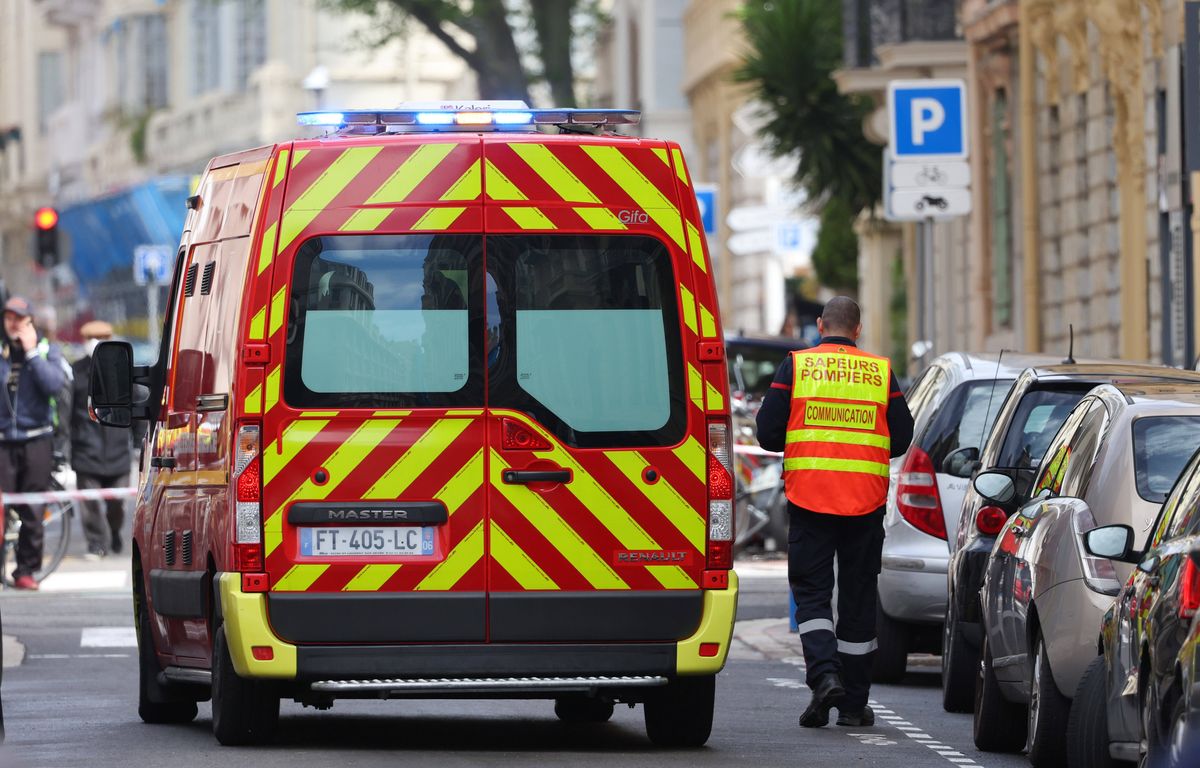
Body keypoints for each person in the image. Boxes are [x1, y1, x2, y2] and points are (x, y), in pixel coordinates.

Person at [755, 296, 914, 728]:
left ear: (821, 325)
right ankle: (853, 703)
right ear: (858, 330)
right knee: (859, 599)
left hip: (811, 500)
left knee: (812, 594)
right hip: (864, 502)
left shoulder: (798, 366)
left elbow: (767, 433)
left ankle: (825, 677)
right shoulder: (880, 372)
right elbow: (901, 436)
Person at [0, 297, 68, 590]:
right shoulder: (1, 353)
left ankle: (26, 569)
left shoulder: (45, 350)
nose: (13, 324)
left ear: (30, 322)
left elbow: (54, 384)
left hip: (37, 439)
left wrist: (30, 353)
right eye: (9, 318)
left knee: (32, 509)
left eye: (20, 319)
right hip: (4, 441)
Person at [70, 321, 131, 559]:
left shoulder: (121, 369)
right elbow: (66, 411)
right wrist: (65, 447)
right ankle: (96, 542)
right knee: (90, 503)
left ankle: (114, 530)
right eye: (91, 338)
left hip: (117, 452)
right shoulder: (75, 372)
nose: (96, 343)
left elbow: (134, 406)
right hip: (86, 450)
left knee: (116, 502)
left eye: (102, 337)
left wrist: (137, 443)